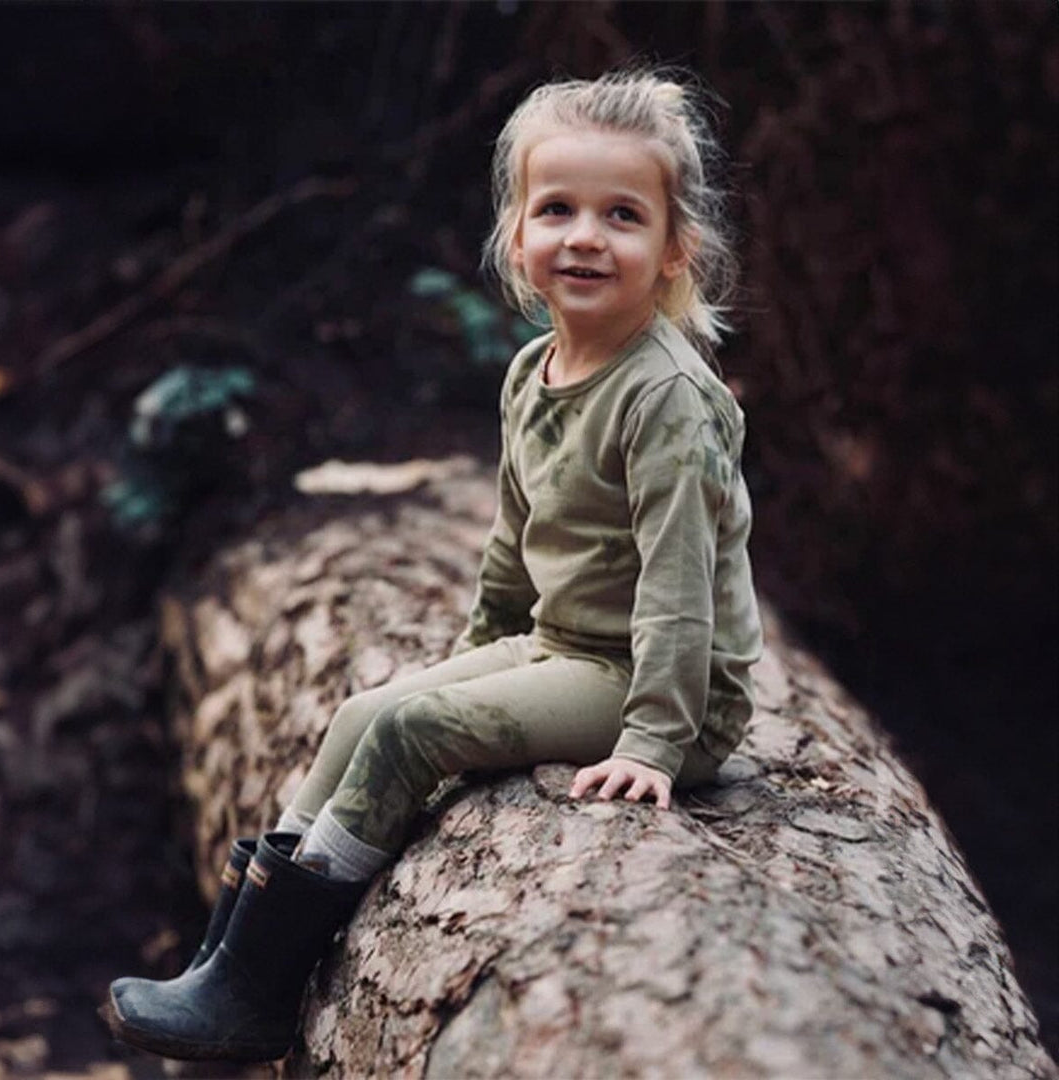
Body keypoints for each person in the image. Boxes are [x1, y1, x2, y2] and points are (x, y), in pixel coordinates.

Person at [102, 66, 764, 1063]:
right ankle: (225, 963)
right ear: (517, 239)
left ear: (677, 251)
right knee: (368, 710)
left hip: (663, 686)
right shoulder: (531, 371)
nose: (585, 235)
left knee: (413, 731)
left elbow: (680, 584)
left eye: (622, 215)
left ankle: (259, 995)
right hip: (565, 646)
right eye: (558, 210)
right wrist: (479, 651)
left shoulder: (663, 398)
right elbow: (513, 535)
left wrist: (656, 744)